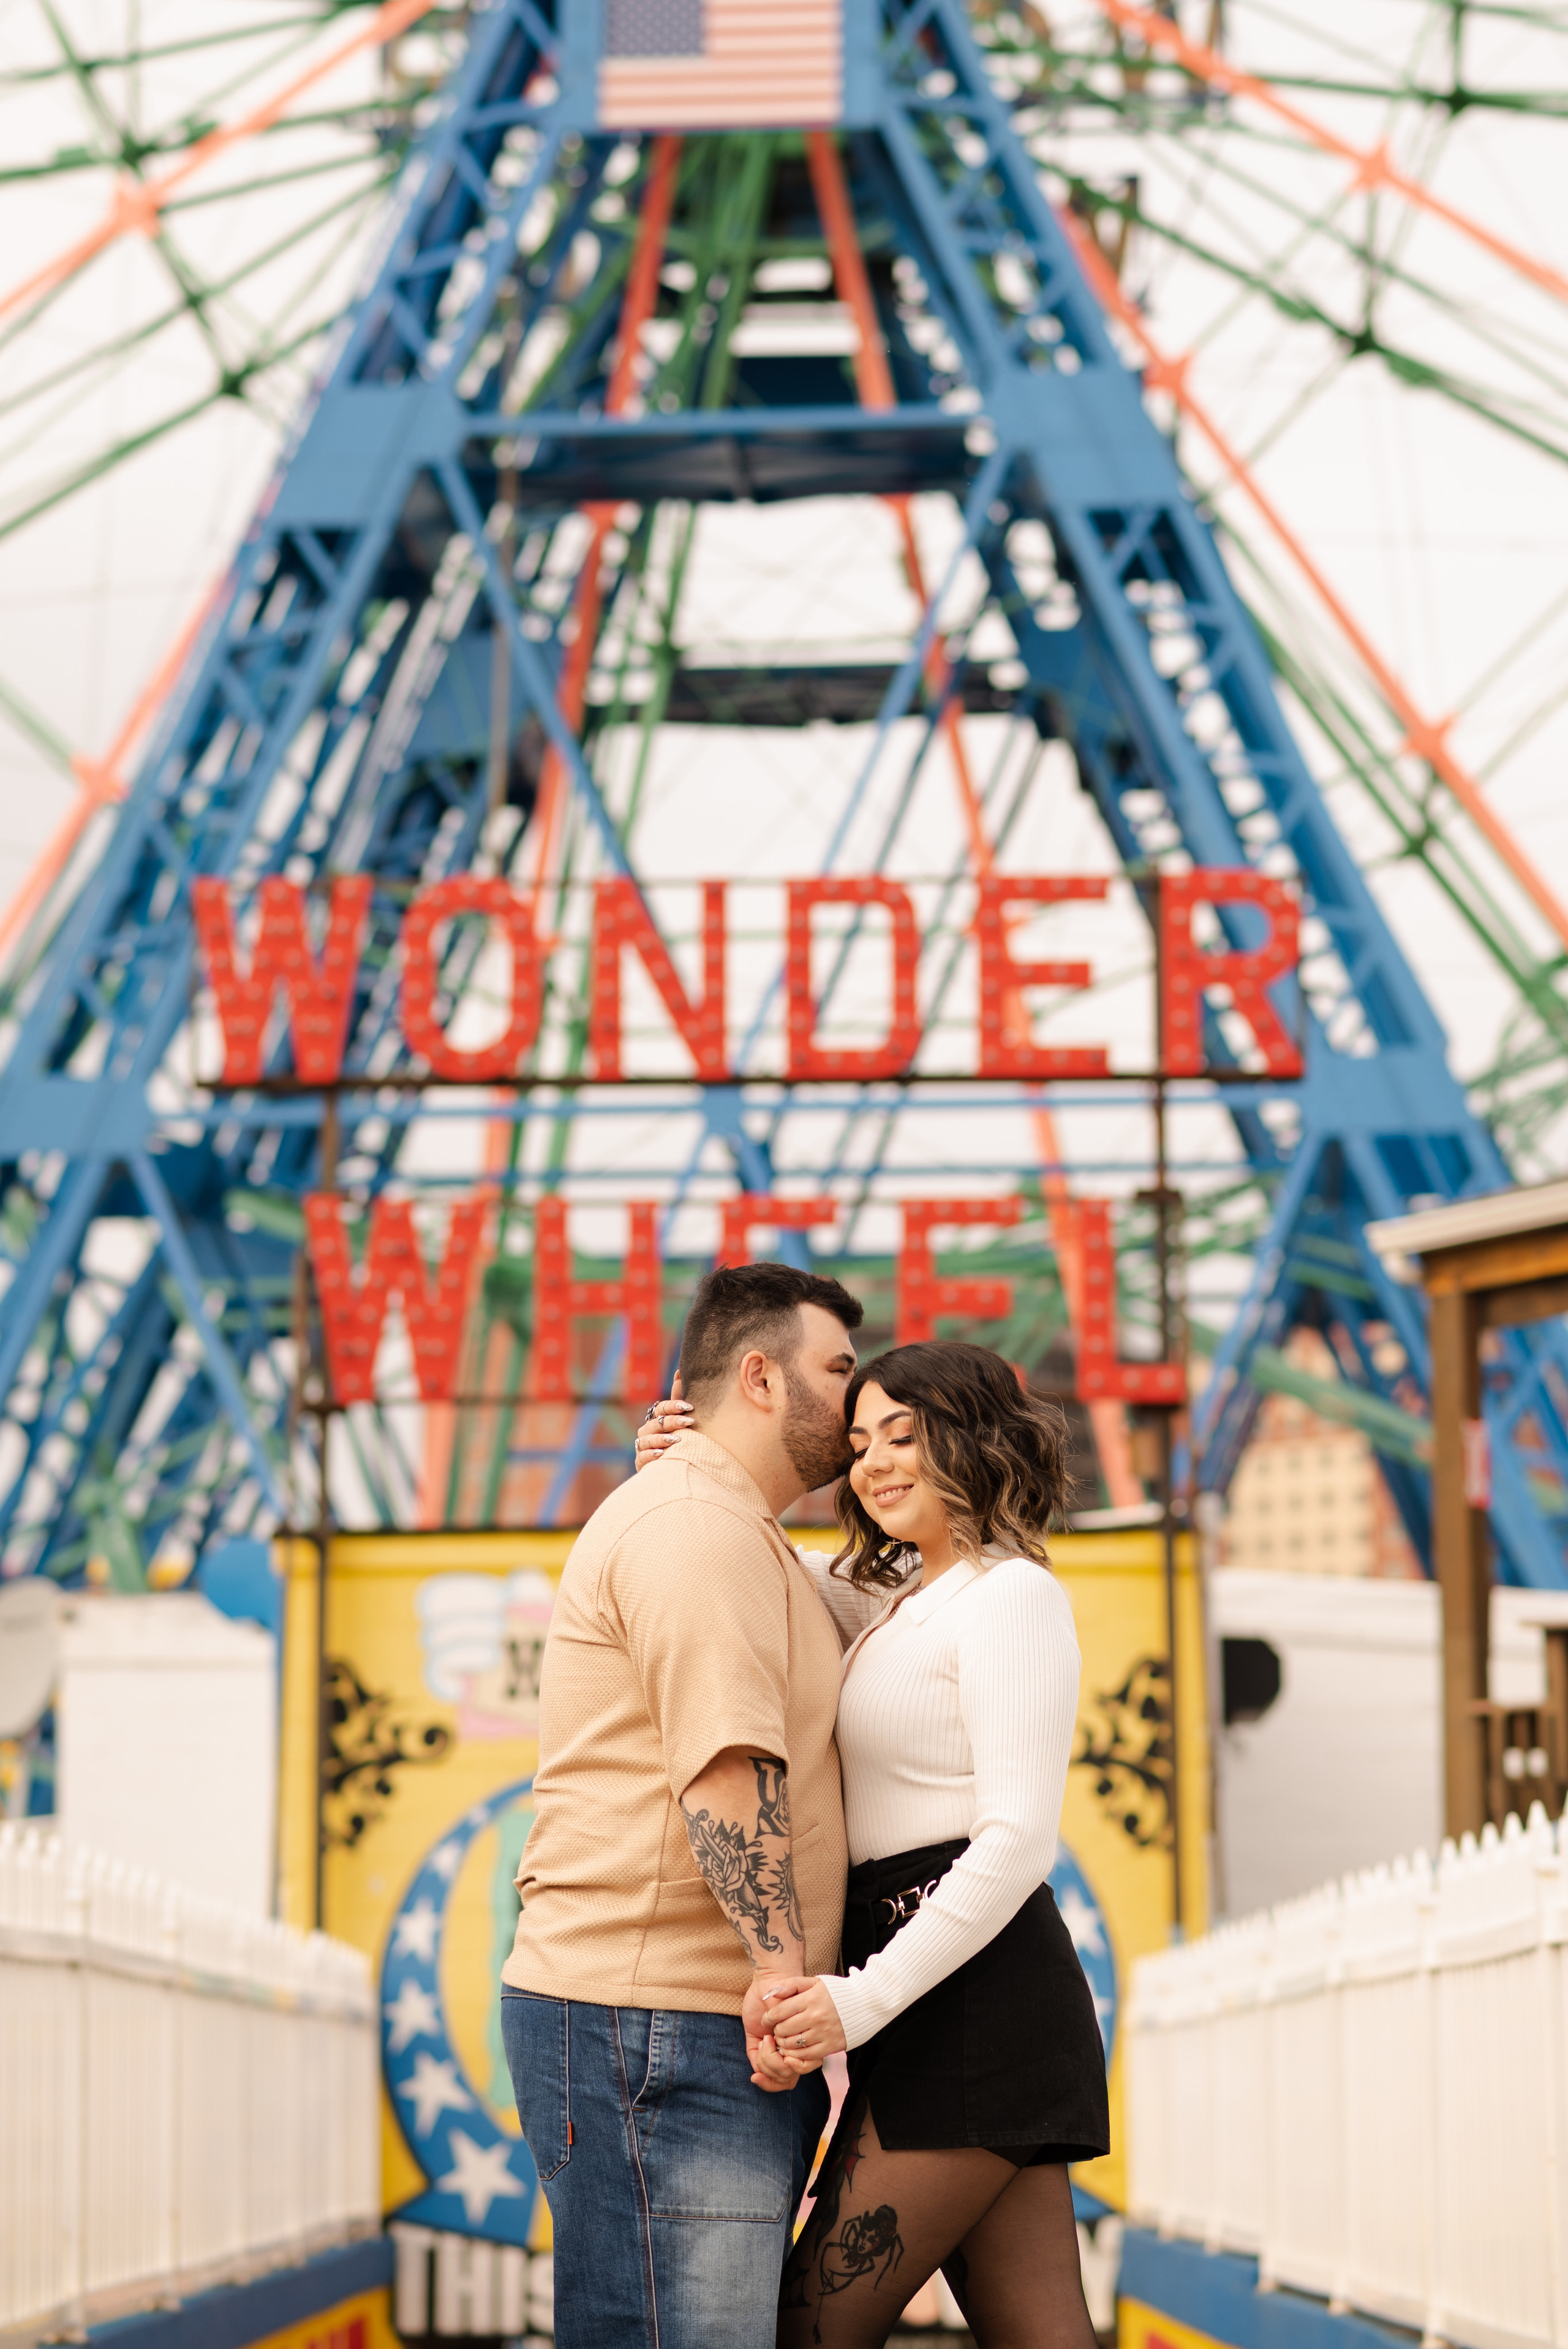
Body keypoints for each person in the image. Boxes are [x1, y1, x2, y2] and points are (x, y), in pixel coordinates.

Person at [635, 1339, 1106, 2349]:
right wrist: (692, 1467)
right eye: (860, 1442)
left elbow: (1019, 1840)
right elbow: (756, 1562)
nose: (875, 1462)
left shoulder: (1010, 1595)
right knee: (1042, 2334)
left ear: (974, 1436)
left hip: (981, 2005)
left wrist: (857, 2002)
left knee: (804, 2330)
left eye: (905, 1433)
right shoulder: (898, 1599)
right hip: (933, 2001)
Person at [500, 1260, 867, 2349]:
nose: (861, 1400)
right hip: (664, 2026)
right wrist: (777, 1979)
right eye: (840, 1369)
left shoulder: (728, 1524)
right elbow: (726, 1769)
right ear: (760, 1376)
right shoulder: (695, 1527)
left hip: (671, 2024)